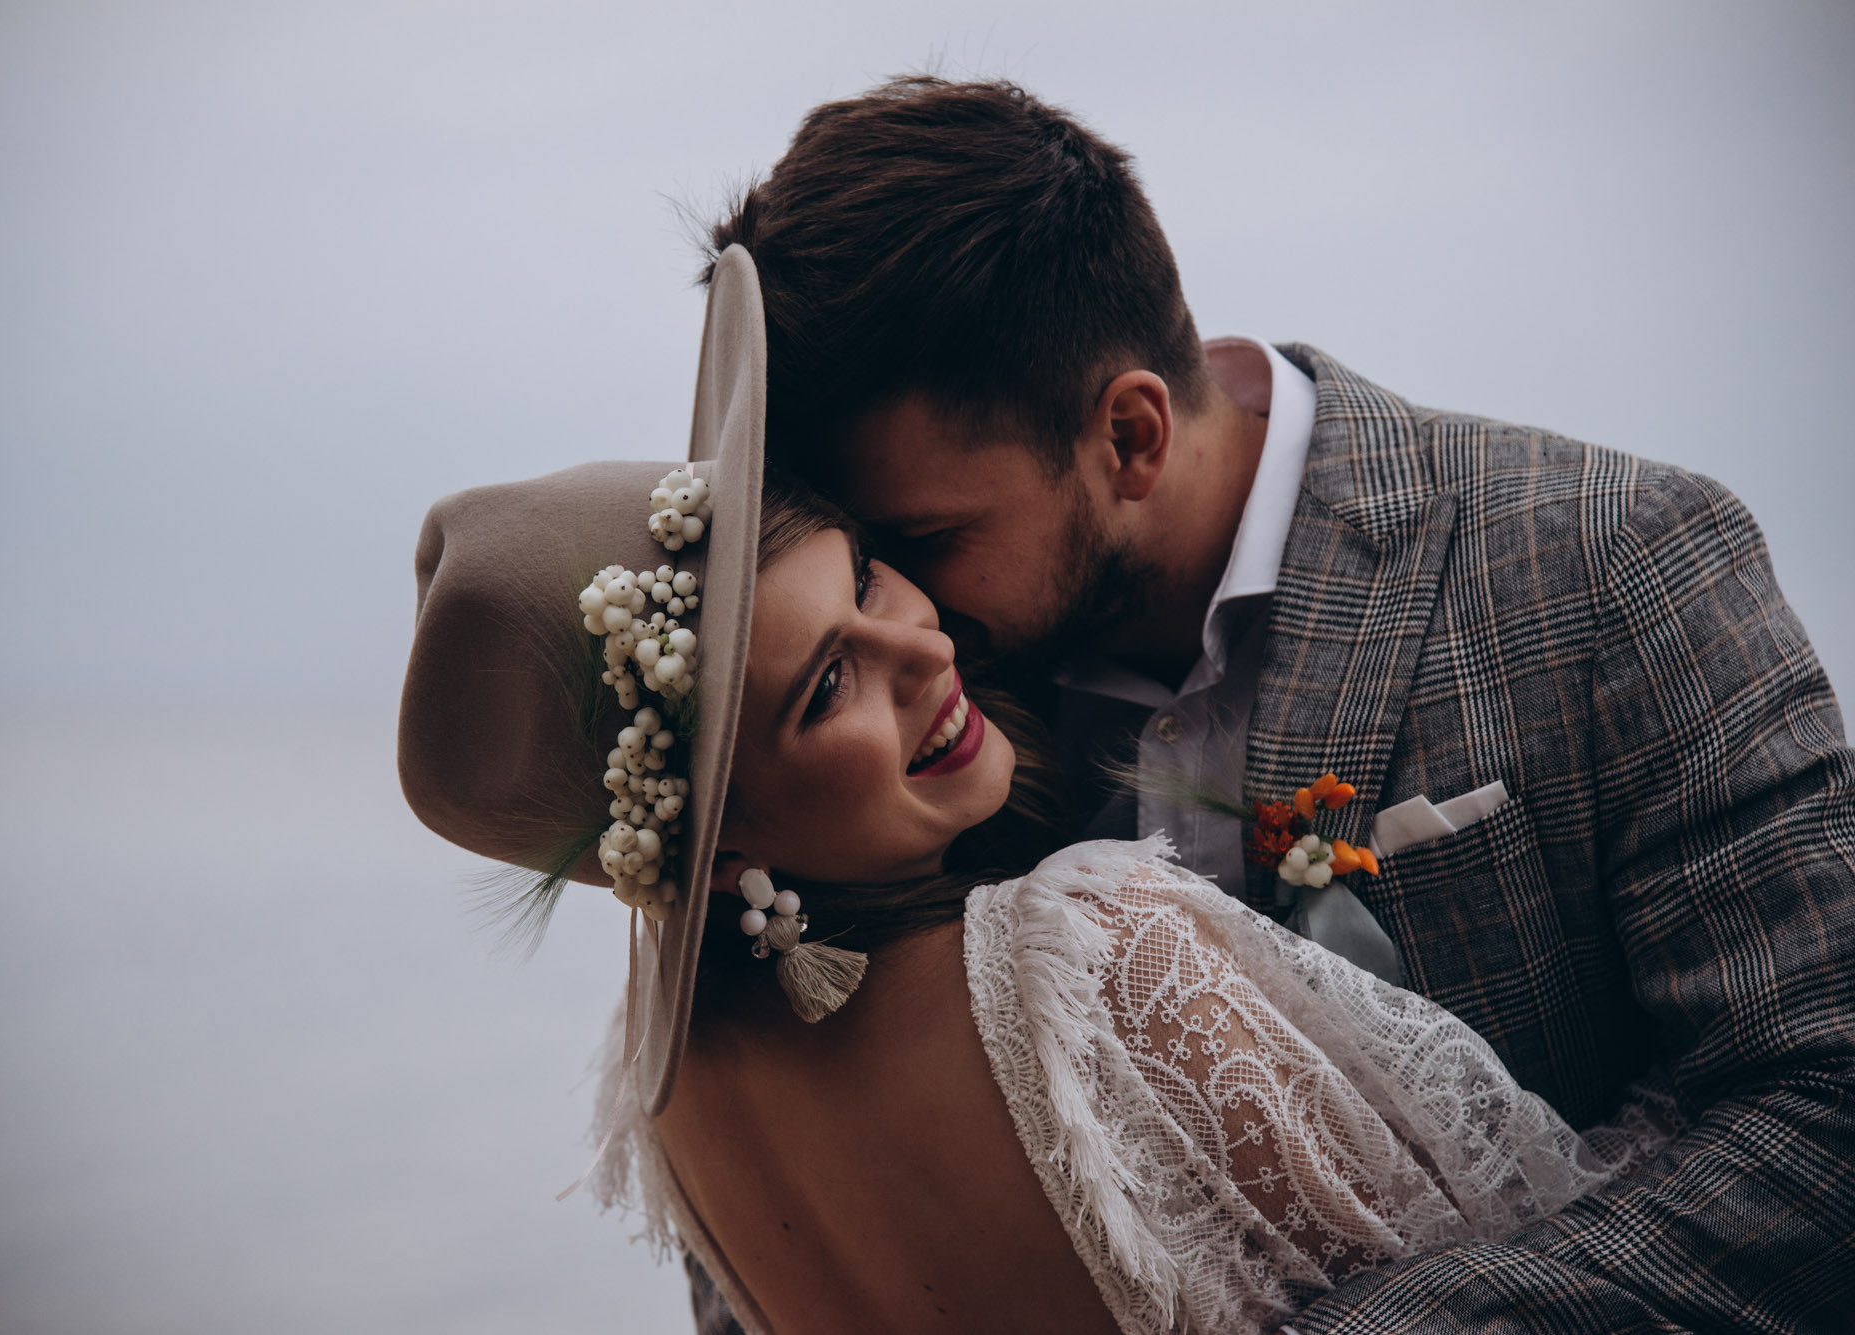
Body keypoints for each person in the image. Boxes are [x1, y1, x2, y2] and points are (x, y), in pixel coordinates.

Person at [689, 76, 1855, 1333]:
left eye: (920, 540)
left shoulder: (1606, 555)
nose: (907, 616)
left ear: (1129, 437)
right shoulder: (903, 730)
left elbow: (1820, 1113)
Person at [396, 251, 1672, 1335]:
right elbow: (1537, 1271)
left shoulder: (674, 1093)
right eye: (827, 685)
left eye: (869, 577)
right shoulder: (1094, 959)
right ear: (720, 846)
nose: (925, 649)